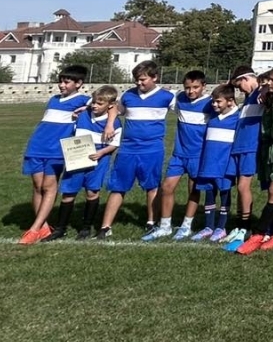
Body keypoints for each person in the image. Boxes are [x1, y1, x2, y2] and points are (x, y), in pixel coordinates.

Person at [98, 61, 176, 240]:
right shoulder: (129, 95)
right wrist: (109, 124)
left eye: (143, 80)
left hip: (152, 149)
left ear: (155, 77)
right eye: (136, 80)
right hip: (128, 148)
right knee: (118, 186)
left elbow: (185, 109)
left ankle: (151, 222)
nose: (138, 83)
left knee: (152, 186)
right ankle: (105, 226)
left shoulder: (167, 96)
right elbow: (115, 109)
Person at [18, 64, 90, 244]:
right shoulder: (53, 99)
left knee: (49, 187)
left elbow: (109, 104)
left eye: (67, 82)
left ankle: (33, 229)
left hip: (56, 151)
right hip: (36, 146)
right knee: (37, 186)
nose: (62, 85)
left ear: (79, 83)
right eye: (61, 81)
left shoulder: (84, 100)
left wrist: (85, 110)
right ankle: (42, 227)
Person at [237, 64, 273, 254]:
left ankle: (259, 233)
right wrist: (265, 89)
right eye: (268, 80)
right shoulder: (270, 98)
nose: (269, 83)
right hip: (268, 148)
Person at [49, 85, 120, 241]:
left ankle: (86, 228)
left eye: (99, 103)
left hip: (99, 160)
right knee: (68, 192)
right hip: (78, 159)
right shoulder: (83, 115)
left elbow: (114, 144)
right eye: (93, 102)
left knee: (92, 192)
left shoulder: (114, 123)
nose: (94, 105)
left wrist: (101, 152)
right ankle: (60, 228)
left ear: (110, 105)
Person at [146, 70, 211, 242]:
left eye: (195, 87)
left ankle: (186, 226)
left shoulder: (210, 104)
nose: (191, 91)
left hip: (199, 155)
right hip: (178, 154)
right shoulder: (179, 98)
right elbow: (161, 95)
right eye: (187, 87)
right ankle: (165, 226)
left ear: (204, 86)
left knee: (194, 190)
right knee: (167, 187)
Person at [194, 83, 241, 242]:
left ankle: (221, 227)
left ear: (230, 101)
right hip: (209, 163)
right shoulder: (212, 116)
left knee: (224, 194)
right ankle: (208, 226)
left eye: (218, 101)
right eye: (213, 101)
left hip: (225, 164)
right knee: (209, 193)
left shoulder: (237, 117)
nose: (214, 104)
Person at [224, 65, 265, 247]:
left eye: (240, 85)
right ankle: (240, 223)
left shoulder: (261, 92)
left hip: (250, 147)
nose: (240, 90)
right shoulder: (249, 98)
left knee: (243, 186)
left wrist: (264, 88)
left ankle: (245, 226)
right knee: (239, 187)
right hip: (239, 147)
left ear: (246, 78)